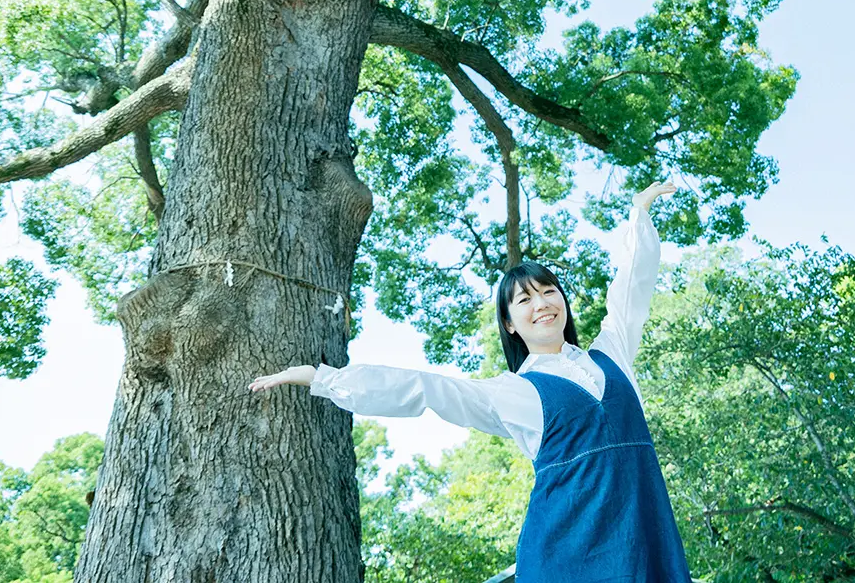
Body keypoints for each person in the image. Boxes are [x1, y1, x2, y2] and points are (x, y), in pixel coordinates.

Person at [248, 180, 691, 582]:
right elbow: (424, 389)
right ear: (510, 323)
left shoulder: (612, 355)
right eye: (524, 299)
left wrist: (639, 213)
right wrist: (321, 379)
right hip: (565, 555)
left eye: (549, 291)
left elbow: (631, 289)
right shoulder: (515, 392)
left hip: (643, 540)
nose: (541, 303)